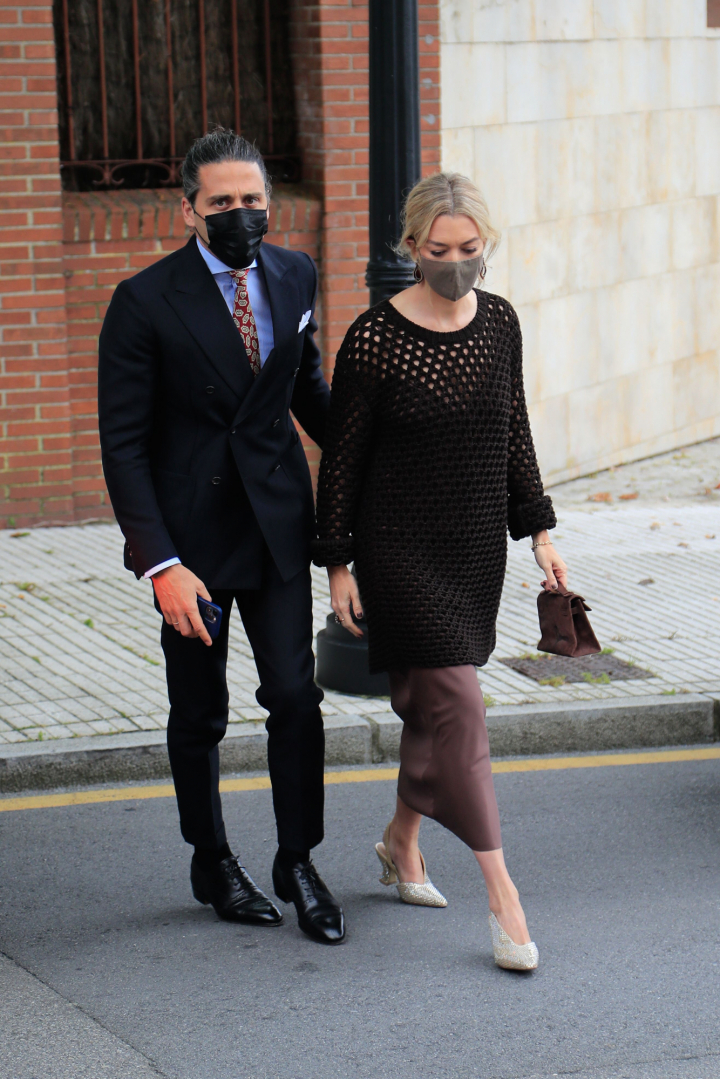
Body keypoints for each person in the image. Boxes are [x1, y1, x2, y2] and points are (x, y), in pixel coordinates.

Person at [313, 172, 567, 970]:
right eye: (438, 249)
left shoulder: (500, 323)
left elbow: (513, 428)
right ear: (411, 246)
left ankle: (400, 842)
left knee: (430, 713)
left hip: (473, 550)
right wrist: (337, 563)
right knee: (459, 707)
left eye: (469, 248)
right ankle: (503, 896)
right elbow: (342, 459)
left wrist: (540, 531)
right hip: (397, 552)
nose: (455, 263)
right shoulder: (376, 338)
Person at [98, 129, 345, 945]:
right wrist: (160, 562)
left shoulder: (295, 272)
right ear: (189, 210)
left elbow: (306, 389)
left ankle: (297, 860)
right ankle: (211, 859)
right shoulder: (144, 299)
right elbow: (123, 446)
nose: (241, 214)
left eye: (252, 200)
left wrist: (376, 460)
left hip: (278, 525)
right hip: (191, 545)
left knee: (296, 699)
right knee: (201, 710)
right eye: (222, 202)